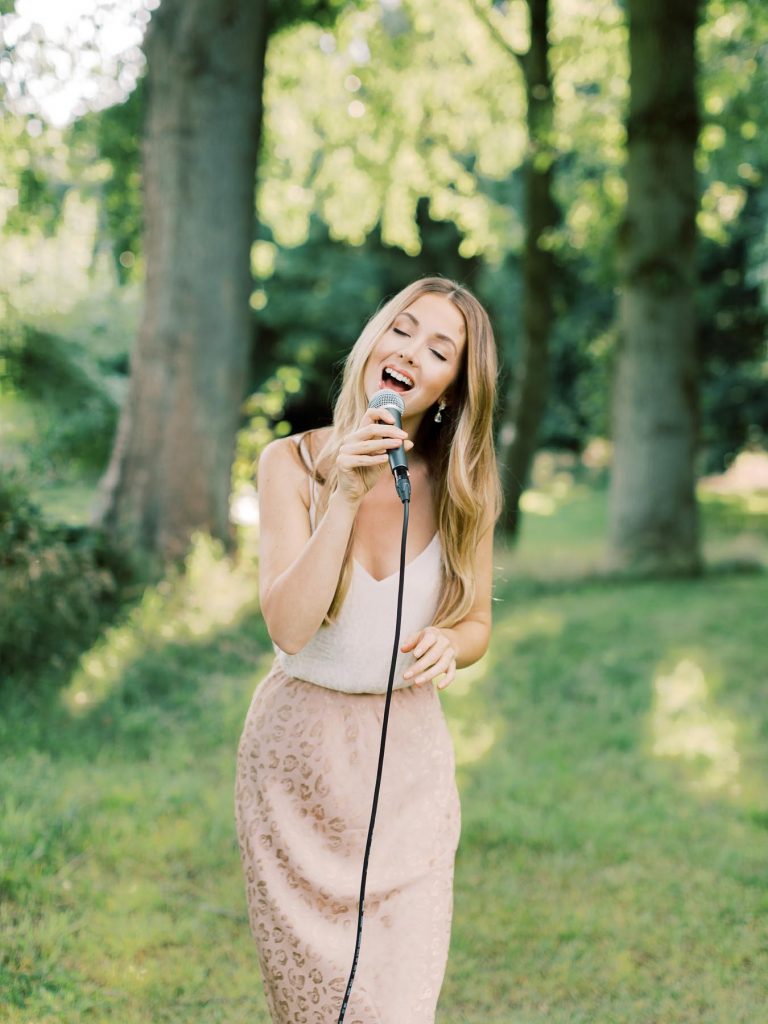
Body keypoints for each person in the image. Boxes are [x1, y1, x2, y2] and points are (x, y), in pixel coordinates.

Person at [235, 276, 502, 1024]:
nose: (412, 352)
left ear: (451, 387)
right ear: (375, 341)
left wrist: (454, 641)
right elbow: (289, 628)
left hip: (407, 762)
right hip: (298, 768)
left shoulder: (463, 487)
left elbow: (477, 621)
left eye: (440, 349)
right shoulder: (288, 465)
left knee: (396, 1006)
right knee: (316, 1008)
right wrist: (344, 495)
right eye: (403, 329)